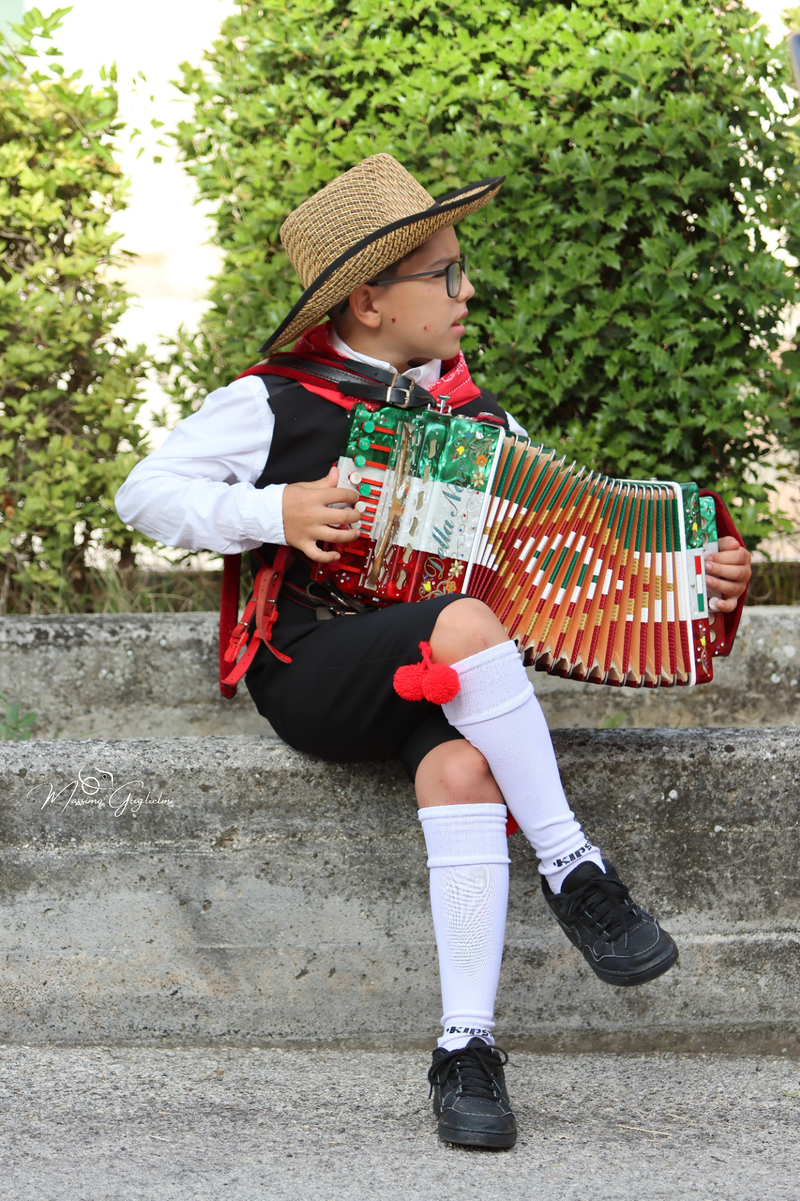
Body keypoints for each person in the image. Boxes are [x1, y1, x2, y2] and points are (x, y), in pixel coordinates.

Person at [116, 154, 751, 1151]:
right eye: (445, 274)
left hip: (437, 683)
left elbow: (574, 551)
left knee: (463, 769)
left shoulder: (474, 418)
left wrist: (694, 583)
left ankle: (465, 1046)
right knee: (459, 618)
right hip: (313, 666)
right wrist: (268, 508)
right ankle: (573, 864)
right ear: (369, 302)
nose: (467, 290)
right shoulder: (275, 402)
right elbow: (143, 494)